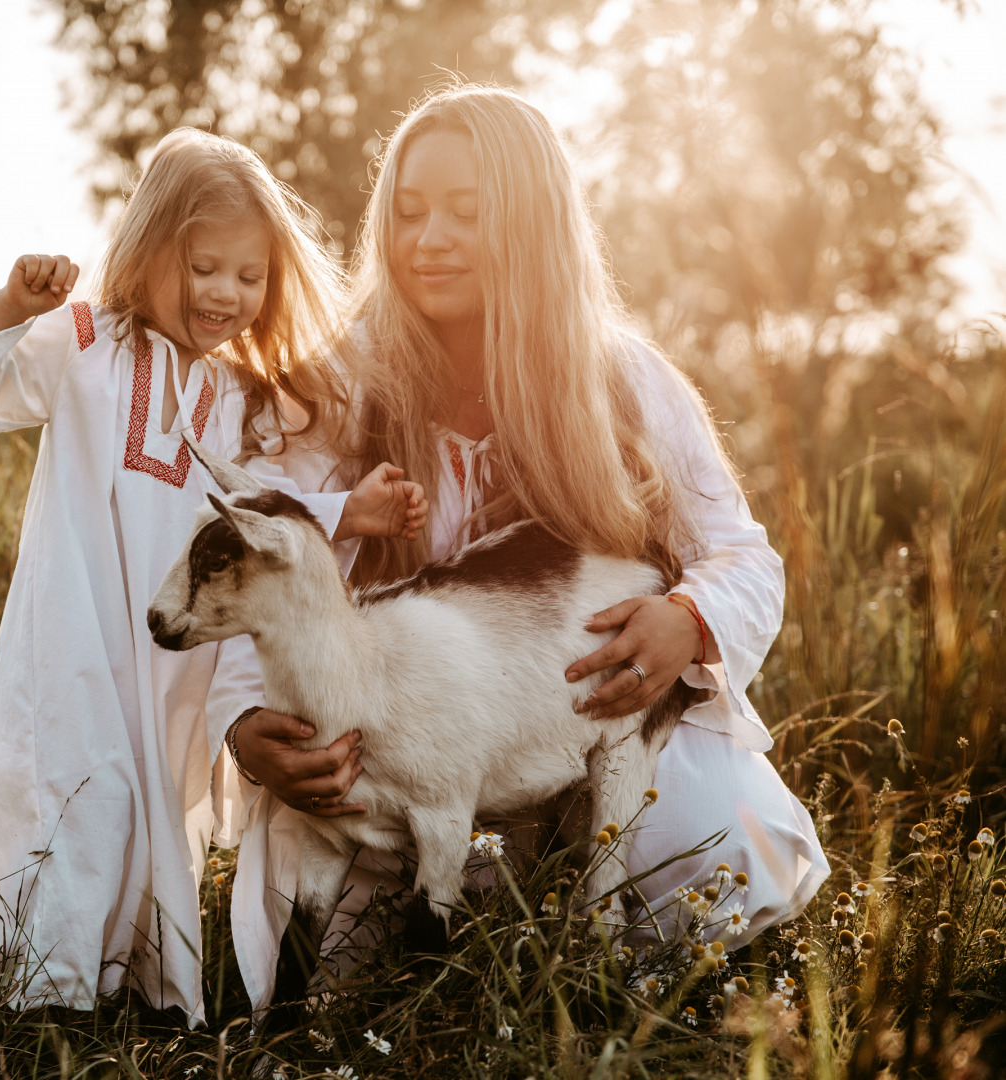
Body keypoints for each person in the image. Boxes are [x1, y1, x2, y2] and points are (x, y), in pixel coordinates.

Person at [220, 84, 830, 1008]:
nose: (430, 239)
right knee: (333, 965)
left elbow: (743, 555)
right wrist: (242, 727)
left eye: (469, 213)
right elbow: (251, 558)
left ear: (534, 225)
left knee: (719, 844)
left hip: (587, 736)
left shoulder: (621, 381)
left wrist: (686, 618)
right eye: (411, 212)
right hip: (411, 751)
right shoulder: (346, 385)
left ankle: (596, 945)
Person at [0, 128, 427, 1024]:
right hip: (75, 631)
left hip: (168, 656)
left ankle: (131, 995)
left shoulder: (232, 401)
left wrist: (351, 514)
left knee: (148, 810)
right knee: (81, 790)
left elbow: (254, 520)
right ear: (147, 255)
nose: (226, 293)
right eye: (204, 267)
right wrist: (8, 302)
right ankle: (46, 1003)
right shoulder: (85, 343)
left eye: (248, 276)